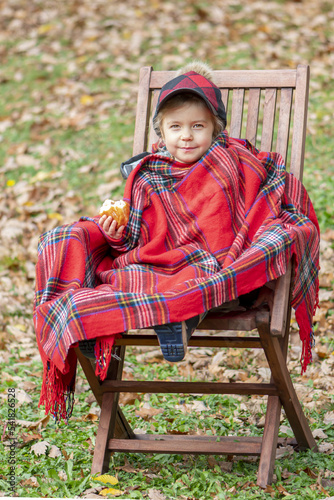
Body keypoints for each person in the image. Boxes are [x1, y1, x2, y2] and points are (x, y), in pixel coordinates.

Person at [34, 61, 319, 421]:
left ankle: (179, 317)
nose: (186, 136)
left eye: (198, 126)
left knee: (196, 273)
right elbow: (139, 233)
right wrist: (115, 232)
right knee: (68, 241)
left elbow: (234, 218)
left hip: (213, 263)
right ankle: (126, 326)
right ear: (162, 132)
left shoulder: (229, 163)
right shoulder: (150, 173)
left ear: (215, 129)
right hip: (156, 262)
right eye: (176, 127)